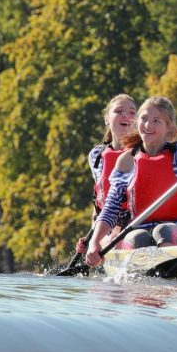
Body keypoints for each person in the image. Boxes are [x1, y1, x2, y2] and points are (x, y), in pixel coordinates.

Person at [85, 96, 177, 267]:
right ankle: (144, 279)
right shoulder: (126, 161)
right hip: (138, 228)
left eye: (156, 121)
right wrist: (94, 241)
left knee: (163, 231)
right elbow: (111, 208)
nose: (148, 125)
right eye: (144, 119)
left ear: (168, 127)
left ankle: (170, 274)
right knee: (137, 238)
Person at [75, 94, 137, 254]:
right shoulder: (96, 156)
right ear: (107, 119)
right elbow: (100, 200)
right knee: (111, 237)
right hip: (109, 226)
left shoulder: (145, 152)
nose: (126, 115)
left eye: (132, 112)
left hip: (137, 220)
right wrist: (91, 236)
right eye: (119, 111)